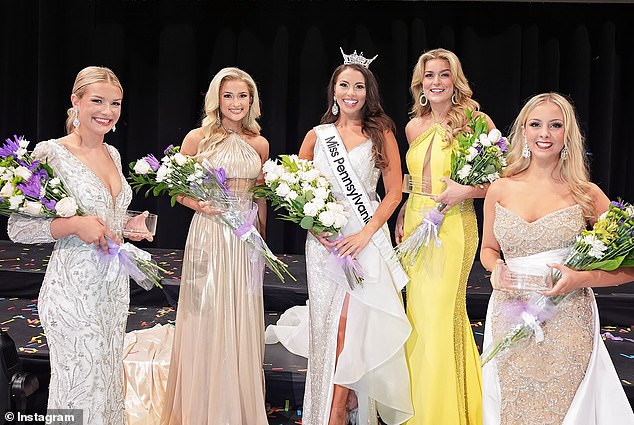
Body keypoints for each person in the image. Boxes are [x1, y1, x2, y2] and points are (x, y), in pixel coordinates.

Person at [7, 66, 153, 424]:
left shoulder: (113, 154)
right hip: (73, 291)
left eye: (115, 103)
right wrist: (73, 225)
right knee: (79, 388)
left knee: (105, 385)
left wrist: (128, 225)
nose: (107, 110)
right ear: (76, 101)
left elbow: (107, 218)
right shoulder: (51, 153)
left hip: (112, 290)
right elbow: (18, 228)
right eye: (98, 101)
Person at [480, 92, 634, 424]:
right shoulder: (499, 188)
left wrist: (581, 278)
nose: (544, 134)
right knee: (512, 406)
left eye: (555, 125)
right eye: (535, 124)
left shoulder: (586, 194)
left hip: (568, 318)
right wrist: (496, 269)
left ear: (567, 134)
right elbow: (488, 250)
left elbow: (630, 265)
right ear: (523, 130)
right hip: (508, 313)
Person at [296, 49, 413, 425]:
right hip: (325, 244)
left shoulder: (382, 133)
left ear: (368, 92)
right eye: (344, 85)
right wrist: (317, 228)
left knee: (350, 328)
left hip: (365, 241)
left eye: (359, 86)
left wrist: (364, 234)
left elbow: (394, 192)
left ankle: (336, 410)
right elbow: (295, 191)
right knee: (326, 327)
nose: (351, 93)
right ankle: (328, 407)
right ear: (334, 90)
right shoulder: (317, 137)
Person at [160, 67, 270, 424]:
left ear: (251, 100)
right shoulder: (198, 139)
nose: (236, 103)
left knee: (242, 315)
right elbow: (175, 190)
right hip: (209, 232)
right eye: (228, 96)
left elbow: (260, 196)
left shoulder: (260, 143)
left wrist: (261, 243)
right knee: (206, 313)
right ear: (216, 100)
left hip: (245, 238)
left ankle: (236, 407)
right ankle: (201, 409)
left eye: (243, 96)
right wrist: (199, 205)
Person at [394, 48, 495, 425]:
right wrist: (404, 209)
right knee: (418, 314)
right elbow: (414, 180)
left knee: (441, 315)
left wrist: (463, 192)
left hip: (453, 224)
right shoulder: (413, 126)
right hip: (417, 222)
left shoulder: (475, 121)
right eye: (428, 75)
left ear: (455, 80)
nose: (435, 82)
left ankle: (447, 413)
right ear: (420, 83)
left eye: (443, 75)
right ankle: (417, 408)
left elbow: (496, 183)